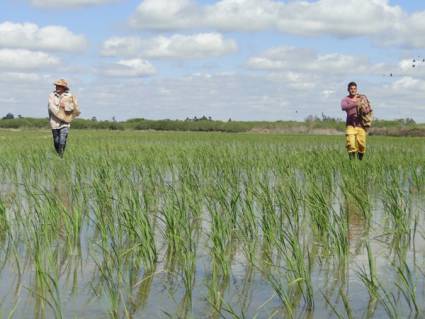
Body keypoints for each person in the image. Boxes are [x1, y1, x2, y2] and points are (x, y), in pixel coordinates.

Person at [341, 82, 372, 160]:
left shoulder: (362, 98)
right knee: (350, 144)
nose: (353, 90)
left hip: (361, 125)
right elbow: (344, 107)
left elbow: (367, 109)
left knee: (362, 145)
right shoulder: (345, 99)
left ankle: (360, 161)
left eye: (354, 88)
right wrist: (355, 103)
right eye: (351, 88)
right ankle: (352, 163)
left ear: (356, 89)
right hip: (350, 125)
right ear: (348, 89)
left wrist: (366, 110)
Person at [48, 79, 79, 157]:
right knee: (56, 141)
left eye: (59, 86)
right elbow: (51, 107)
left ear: (64, 87)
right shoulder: (51, 95)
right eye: (56, 86)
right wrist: (60, 114)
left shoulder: (70, 96)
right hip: (54, 122)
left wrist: (65, 106)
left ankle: (61, 156)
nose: (57, 87)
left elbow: (73, 107)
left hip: (65, 122)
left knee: (62, 139)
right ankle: (58, 153)